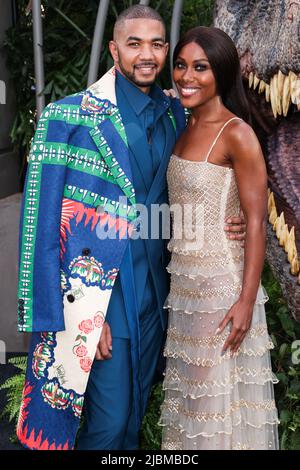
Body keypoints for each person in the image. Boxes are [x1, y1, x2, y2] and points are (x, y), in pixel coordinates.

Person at [17, 7, 245, 451]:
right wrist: (75, 316)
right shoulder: (68, 118)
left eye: (157, 44)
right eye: (135, 43)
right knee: (108, 424)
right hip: (103, 295)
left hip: (161, 292)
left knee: (135, 417)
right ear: (114, 49)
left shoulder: (178, 113)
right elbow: (40, 228)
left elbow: (194, 184)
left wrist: (224, 218)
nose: (147, 54)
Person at [159, 26, 279, 450]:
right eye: (180, 65)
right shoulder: (180, 121)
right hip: (186, 291)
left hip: (222, 291)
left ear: (222, 73)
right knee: (192, 408)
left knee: (218, 408)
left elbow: (256, 221)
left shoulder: (237, 134)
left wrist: (246, 300)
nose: (186, 76)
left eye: (200, 68)